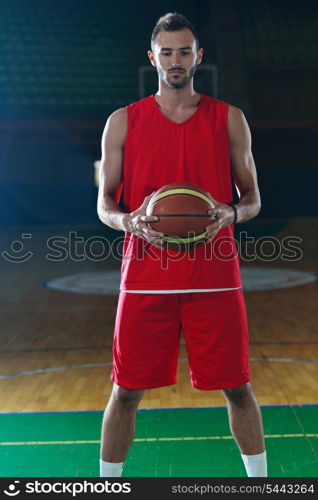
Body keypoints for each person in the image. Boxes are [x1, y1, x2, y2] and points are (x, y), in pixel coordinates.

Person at [97, 12, 266, 478]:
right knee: (126, 390)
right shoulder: (122, 122)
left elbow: (251, 199)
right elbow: (104, 205)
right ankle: (109, 486)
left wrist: (229, 213)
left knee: (237, 387)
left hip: (214, 276)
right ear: (152, 57)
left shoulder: (229, 118)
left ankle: (259, 484)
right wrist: (129, 221)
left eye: (184, 51)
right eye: (167, 52)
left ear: (199, 57)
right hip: (145, 276)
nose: (175, 60)